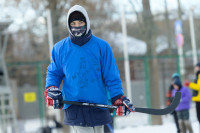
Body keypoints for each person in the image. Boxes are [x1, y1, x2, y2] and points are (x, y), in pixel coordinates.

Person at [44, 5, 135, 133]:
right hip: (74, 107)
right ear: (68, 25)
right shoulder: (60, 48)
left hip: (98, 107)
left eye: (80, 22)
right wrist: (51, 88)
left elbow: (111, 77)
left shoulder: (102, 47)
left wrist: (117, 97)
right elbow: (54, 72)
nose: (77, 26)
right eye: (73, 23)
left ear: (87, 22)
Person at [184, 62, 200, 131]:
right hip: (197, 100)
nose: (195, 68)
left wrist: (189, 84)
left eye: (196, 67)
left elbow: (198, 87)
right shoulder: (197, 75)